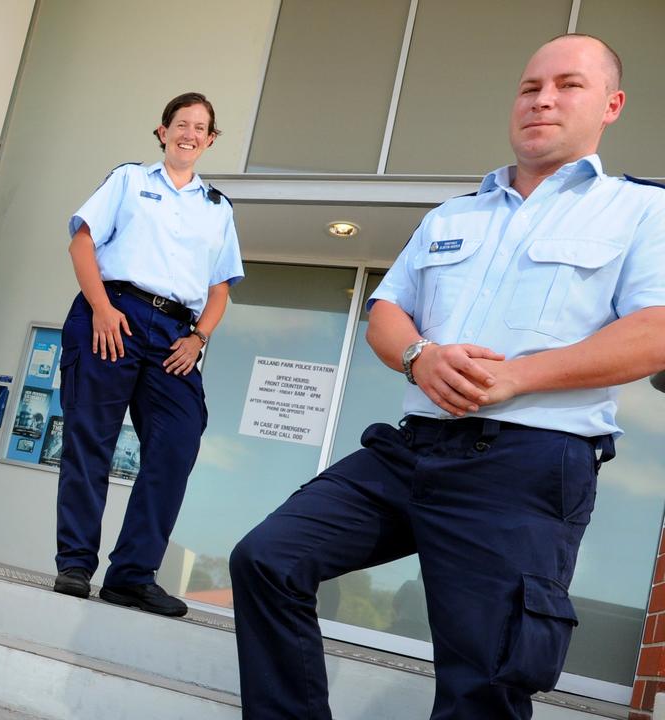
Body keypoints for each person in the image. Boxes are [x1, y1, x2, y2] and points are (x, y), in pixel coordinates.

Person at [229, 34, 665, 719]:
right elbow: (387, 312)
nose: (543, 98)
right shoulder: (453, 215)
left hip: (525, 464)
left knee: (481, 683)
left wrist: (518, 378)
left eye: (567, 85)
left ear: (611, 105)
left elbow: (654, 333)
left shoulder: (642, 211)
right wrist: (418, 358)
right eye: (530, 86)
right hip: (412, 449)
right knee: (268, 559)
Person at [52, 92, 244, 616]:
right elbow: (82, 243)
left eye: (200, 127)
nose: (189, 133)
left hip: (175, 335)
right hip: (114, 312)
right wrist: (100, 308)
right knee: (91, 437)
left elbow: (220, 287)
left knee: (177, 442)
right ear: (162, 131)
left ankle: (132, 575)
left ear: (211, 139)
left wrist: (198, 337)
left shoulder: (217, 208)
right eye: (180, 124)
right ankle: (74, 563)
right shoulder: (130, 181)